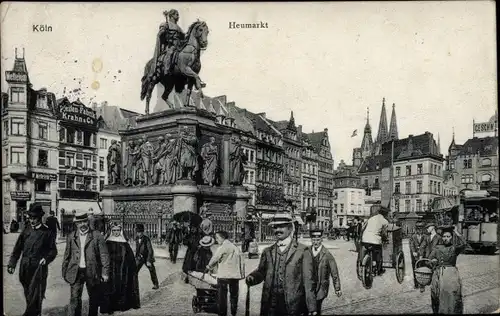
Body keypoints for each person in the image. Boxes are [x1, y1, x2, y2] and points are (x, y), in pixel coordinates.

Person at [246, 213, 317, 316]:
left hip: (294, 304)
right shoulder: (267, 251)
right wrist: (253, 277)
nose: (277, 230)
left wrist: (312, 306)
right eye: (275, 227)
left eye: (281, 226)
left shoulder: (303, 251)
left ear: (290, 228)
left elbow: (309, 280)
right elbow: (262, 271)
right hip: (270, 304)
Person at [7, 203, 58, 316]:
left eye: (34, 218)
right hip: (24, 268)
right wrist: (12, 263)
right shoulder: (27, 229)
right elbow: (17, 248)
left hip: (38, 269)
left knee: (35, 295)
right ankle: (36, 313)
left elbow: (53, 251)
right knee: (29, 294)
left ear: (39, 218)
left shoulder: (47, 232)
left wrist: (46, 259)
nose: (31, 220)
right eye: (30, 217)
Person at [62, 213, 110, 316]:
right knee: (74, 298)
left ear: (88, 222)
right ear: (76, 224)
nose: (82, 224)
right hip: (76, 271)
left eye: (84, 221)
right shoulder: (71, 236)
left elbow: (104, 255)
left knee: (93, 298)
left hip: (92, 271)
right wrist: (65, 271)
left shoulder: (97, 235)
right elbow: (67, 255)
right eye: (80, 222)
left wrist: (105, 272)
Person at [100, 223, 141, 314]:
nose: (116, 232)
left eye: (118, 230)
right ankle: (110, 307)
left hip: (123, 269)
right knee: (111, 287)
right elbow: (103, 256)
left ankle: (122, 305)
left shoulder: (125, 243)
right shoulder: (107, 242)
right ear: (111, 231)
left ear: (121, 231)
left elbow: (130, 257)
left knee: (122, 286)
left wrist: (131, 267)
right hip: (111, 269)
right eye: (114, 230)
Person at [428, 225, 467, 314]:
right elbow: (428, 260)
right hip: (439, 274)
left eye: (448, 236)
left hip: (452, 275)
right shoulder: (437, 248)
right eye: (444, 236)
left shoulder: (454, 248)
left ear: (451, 238)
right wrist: (432, 261)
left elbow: (464, 244)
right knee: (437, 296)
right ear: (441, 237)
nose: (446, 238)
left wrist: (456, 232)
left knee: (453, 296)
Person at [206, 231, 245, 316]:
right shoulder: (235, 247)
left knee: (222, 297)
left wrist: (208, 267)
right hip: (235, 276)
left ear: (222, 238)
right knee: (234, 296)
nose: (216, 240)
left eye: (217, 238)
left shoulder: (222, 247)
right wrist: (242, 274)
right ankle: (233, 312)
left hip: (223, 275)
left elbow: (215, 258)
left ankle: (222, 313)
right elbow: (242, 261)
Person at [309, 228, 342, 316]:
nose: (315, 242)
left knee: (316, 308)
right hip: (309, 286)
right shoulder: (306, 252)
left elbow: (334, 272)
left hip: (321, 287)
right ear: (311, 240)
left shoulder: (327, 254)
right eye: (313, 240)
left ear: (321, 240)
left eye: (318, 240)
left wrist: (337, 288)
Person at [360, 206, 390, 276]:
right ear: (385, 214)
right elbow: (384, 233)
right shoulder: (385, 221)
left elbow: (363, 228)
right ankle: (379, 270)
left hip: (365, 240)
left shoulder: (370, 219)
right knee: (378, 255)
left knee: (365, 250)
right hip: (375, 241)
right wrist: (385, 239)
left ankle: (363, 265)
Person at [135, 223, 159, 290]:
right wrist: (136, 257)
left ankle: (156, 284)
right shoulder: (136, 238)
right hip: (140, 258)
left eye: (140, 232)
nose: (139, 234)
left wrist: (148, 260)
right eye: (138, 232)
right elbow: (137, 249)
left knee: (152, 270)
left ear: (142, 232)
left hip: (147, 257)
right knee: (134, 270)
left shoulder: (146, 239)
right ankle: (133, 285)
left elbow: (150, 250)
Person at [409, 221, 430, 293]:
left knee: (422, 270)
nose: (419, 230)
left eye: (421, 228)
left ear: (423, 229)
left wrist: (425, 256)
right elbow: (411, 245)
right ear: (416, 229)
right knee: (415, 269)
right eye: (418, 228)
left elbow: (427, 247)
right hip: (415, 256)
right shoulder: (413, 236)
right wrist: (413, 252)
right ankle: (416, 284)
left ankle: (422, 285)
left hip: (422, 256)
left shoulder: (426, 237)